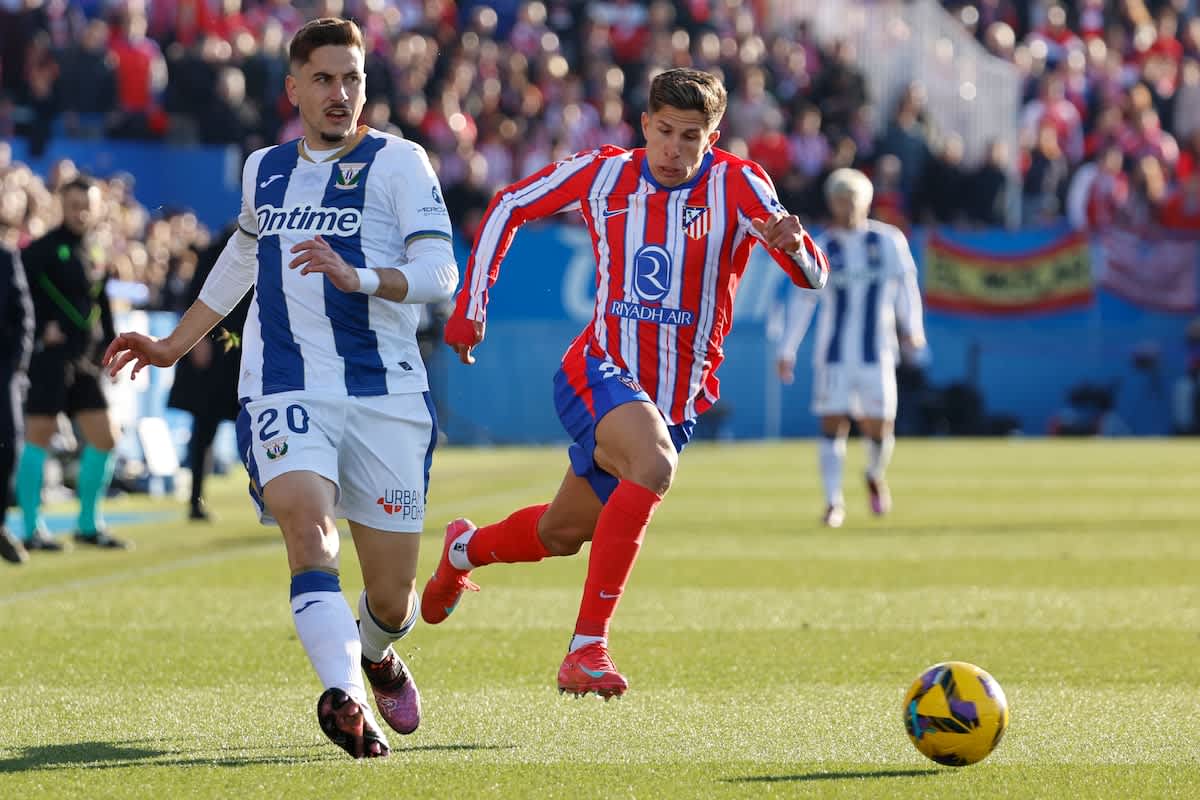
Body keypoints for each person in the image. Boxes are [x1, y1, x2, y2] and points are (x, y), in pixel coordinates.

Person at [102, 18, 458, 759]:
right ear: (293, 87)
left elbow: (438, 275)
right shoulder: (264, 167)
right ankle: (342, 696)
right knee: (306, 525)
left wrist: (356, 276)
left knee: (392, 601)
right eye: (324, 79)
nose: (340, 94)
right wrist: (174, 343)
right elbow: (244, 250)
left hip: (386, 393)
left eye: (352, 78)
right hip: (284, 383)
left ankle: (376, 654)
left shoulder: (401, 162)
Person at [421, 68, 829, 698]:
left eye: (690, 137)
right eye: (663, 131)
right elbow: (509, 204)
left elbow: (811, 275)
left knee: (561, 534)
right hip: (598, 367)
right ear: (644, 125)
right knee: (654, 464)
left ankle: (462, 552)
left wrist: (795, 246)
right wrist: (472, 305)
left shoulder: (739, 184)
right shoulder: (606, 171)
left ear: (713, 137)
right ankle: (587, 648)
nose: (673, 148)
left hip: (674, 399)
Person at [775, 168, 926, 528]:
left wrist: (913, 330)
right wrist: (787, 348)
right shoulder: (823, 246)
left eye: (852, 200)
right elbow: (803, 299)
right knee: (833, 422)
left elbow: (906, 287)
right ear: (832, 203)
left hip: (878, 351)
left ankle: (874, 473)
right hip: (834, 354)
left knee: (880, 426)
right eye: (840, 200)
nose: (846, 207)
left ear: (866, 202)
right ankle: (833, 502)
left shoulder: (889, 241)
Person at [16, 176, 129, 552]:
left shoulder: (95, 250)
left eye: (86, 205)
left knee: (106, 438)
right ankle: (31, 529)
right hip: (49, 360)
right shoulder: (41, 249)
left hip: (84, 361)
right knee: (39, 436)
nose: (80, 211)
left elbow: (101, 303)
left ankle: (87, 525)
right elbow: (19, 297)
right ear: (61, 205)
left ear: (98, 208)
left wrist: (111, 344)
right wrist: (37, 331)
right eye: (73, 204)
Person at [166, 222, 252, 522]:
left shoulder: (269, 244)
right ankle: (195, 499)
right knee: (204, 429)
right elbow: (195, 295)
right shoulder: (218, 249)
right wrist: (197, 339)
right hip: (216, 351)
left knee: (259, 426)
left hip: (249, 351)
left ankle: (272, 496)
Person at [0, 243, 33, 564]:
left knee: (9, 445)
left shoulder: (6, 257)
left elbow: (24, 314)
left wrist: (17, 365)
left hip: (2, 368)